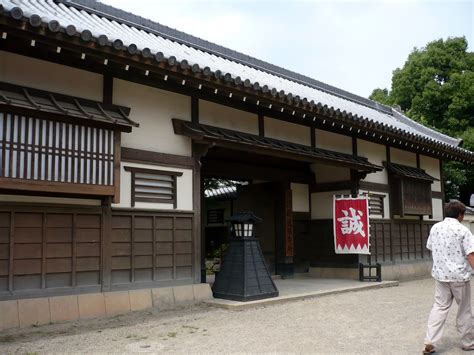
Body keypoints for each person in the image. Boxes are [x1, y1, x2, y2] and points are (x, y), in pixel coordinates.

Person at [423, 201, 474, 354]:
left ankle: (430, 340)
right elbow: (470, 254)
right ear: (460, 215)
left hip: (440, 276)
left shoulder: (435, 228)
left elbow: (431, 247)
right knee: (464, 310)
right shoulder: (463, 230)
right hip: (459, 277)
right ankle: (467, 342)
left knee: (439, 307)